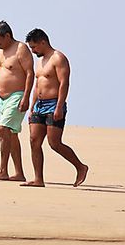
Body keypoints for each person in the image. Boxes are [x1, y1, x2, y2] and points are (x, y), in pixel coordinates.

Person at [21, 28, 89, 187]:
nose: (33, 50)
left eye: (34, 47)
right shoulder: (40, 61)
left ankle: (80, 167)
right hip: (39, 105)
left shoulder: (58, 58)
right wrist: (32, 107)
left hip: (53, 105)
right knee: (33, 141)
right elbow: (38, 85)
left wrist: (59, 106)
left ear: (43, 42)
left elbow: (64, 83)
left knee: (54, 143)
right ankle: (38, 179)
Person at [0, 20, 34, 181]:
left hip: (17, 96)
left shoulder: (20, 49)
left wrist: (26, 97)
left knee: (2, 129)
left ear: (8, 35)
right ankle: (19, 173)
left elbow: (30, 73)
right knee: (11, 134)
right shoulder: (0, 52)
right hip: (2, 99)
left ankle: (3, 170)